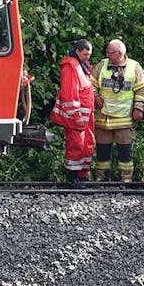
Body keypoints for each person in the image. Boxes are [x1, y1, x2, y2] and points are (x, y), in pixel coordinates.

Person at [90, 39, 144, 182]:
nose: (107, 55)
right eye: (107, 52)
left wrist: (138, 108)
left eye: (110, 52)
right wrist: (95, 96)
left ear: (120, 53)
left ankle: (126, 179)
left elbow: (141, 89)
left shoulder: (134, 67)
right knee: (102, 151)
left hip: (125, 120)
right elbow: (90, 85)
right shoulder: (102, 65)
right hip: (104, 119)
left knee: (125, 152)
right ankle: (101, 179)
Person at [51, 38, 96, 188]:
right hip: (76, 116)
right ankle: (72, 178)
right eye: (85, 54)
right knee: (76, 145)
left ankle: (81, 176)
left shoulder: (81, 65)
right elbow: (69, 94)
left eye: (89, 55)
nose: (87, 57)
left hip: (84, 115)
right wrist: (75, 115)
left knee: (86, 144)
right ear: (77, 51)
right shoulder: (71, 67)